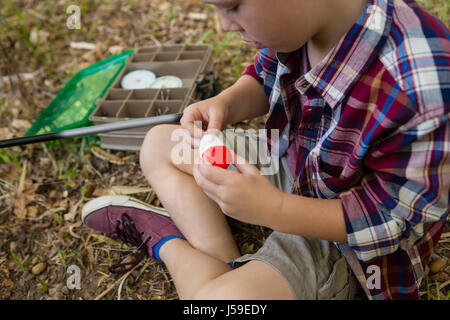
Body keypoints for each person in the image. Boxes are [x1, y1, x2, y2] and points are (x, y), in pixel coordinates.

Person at [82, 0, 450, 299]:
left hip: (347, 245)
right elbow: (265, 72)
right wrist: (226, 103)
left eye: (233, 6)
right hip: (299, 161)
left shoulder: (419, 91)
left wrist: (273, 210)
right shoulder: (302, 23)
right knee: (160, 143)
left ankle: (167, 242)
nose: (225, 24)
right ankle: (229, 267)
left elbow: (391, 220)